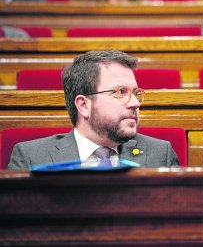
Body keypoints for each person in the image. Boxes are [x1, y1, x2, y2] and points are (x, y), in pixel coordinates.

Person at [8, 50, 179, 170]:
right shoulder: (32, 157)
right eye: (120, 92)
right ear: (83, 105)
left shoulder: (160, 154)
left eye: (135, 93)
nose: (135, 103)